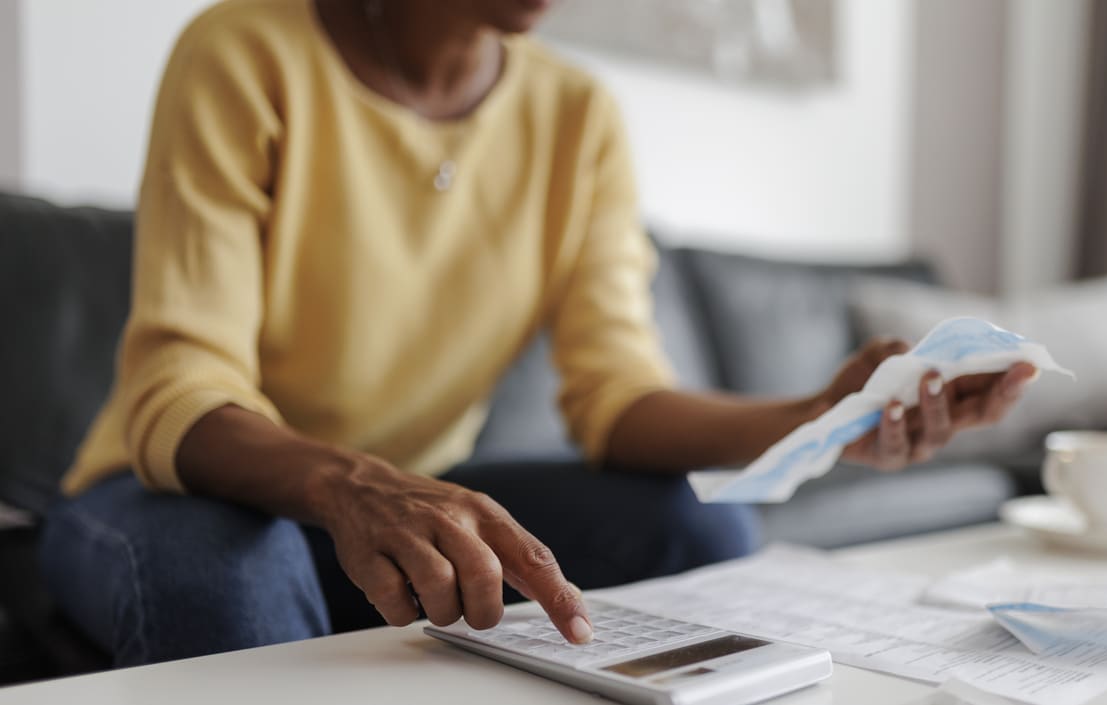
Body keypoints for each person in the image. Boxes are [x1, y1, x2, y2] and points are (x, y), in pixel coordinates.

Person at [40, 0, 1036, 667]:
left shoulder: (576, 116)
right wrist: (350, 482)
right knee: (236, 571)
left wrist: (816, 418)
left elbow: (616, 399)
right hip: (180, 485)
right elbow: (182, 386)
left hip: (405, 499)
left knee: (702, 524)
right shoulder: (245, 50)